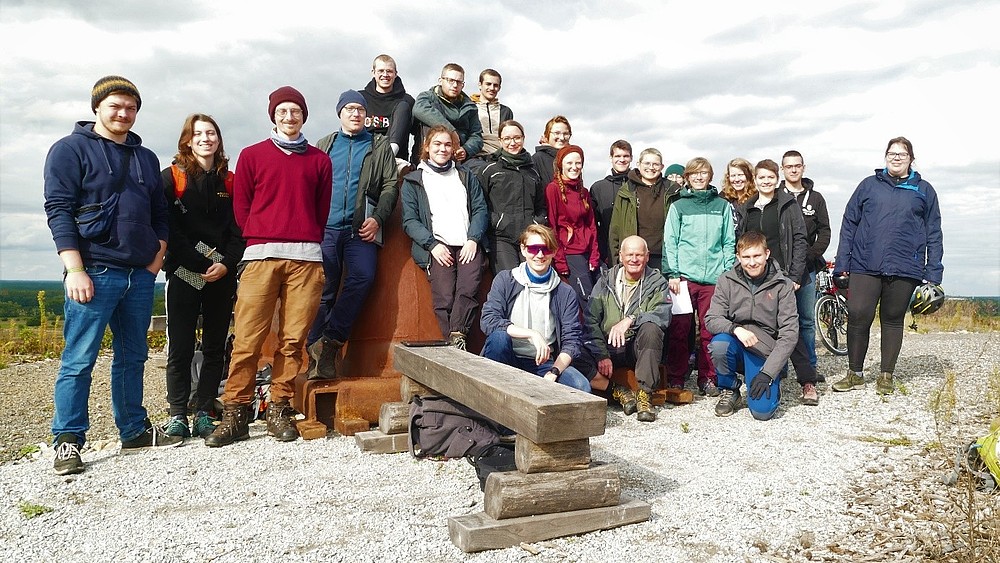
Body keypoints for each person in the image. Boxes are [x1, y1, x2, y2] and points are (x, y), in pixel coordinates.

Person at [43, 75, 179, 474]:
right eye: (115, 106)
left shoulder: (146, 158)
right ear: (97, 108)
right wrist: (74, 269)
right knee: (79, 358)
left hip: (138, 274)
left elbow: (160, 214)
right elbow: (59, 209)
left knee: (132, 356)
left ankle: (134, 430)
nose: (123, 113)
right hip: (94, 270)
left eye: (131, 107)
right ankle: (68, 440)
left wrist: (155, 262)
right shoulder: (69, 150)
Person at [206, 86, 331, 447]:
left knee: (293, 340)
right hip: (261, 257)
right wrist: (261, 236)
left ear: (304, 116)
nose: (289, 117)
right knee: (247, 339)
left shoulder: (319, 161)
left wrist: (303, 235)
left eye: (296, 112)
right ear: (273, 116)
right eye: (283, 111)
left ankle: (279, 405)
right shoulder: (252, 155)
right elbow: (242, 207)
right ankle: (236, 411)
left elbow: (320, 210)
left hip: (306, 258)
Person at [832, 136, 943, 395]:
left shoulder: (924, 190)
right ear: (885, 157)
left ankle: (886, 375)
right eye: (892, 153)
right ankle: (855, 373)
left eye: (901, 154)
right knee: (858, 315)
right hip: (864, 263)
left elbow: (934, 232)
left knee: (892, 320)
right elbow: (849, 224)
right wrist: (842, 264)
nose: (896, 157)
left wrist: (933, 271)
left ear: (911, 159)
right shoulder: (868, 186)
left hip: (905, 267)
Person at [161, 114, 245, 439]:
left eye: (211, 133)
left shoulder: (232, 182)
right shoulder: (171, 179)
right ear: (188, 140)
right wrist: (196, 261)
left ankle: (205, 411)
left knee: (214, 348)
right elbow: (168, 226)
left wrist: (226, 263)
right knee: (179, 347)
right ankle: (178, 413)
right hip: (183, 272)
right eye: (198, 134)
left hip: (222, 274)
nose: (205, 139)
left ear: (219, 139)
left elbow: (240, 230)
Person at [308, 91, 399, 378]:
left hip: (361, 229)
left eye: (360, 109)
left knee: (363, 277)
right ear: (340, 113)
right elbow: (310, 186)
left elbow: (389, 185)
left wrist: (377, 218)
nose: (356, 114)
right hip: (326, 229)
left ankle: (331, 342)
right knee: (324, 290)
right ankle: (314, 354)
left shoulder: (378, 144)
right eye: (349, 109)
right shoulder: (325, 145)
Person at [734, 159, 818, 405]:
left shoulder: (787, 204)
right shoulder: (747, 207)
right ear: (756, 180)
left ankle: (808, 381)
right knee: (761, 324)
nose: (766, 181)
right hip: (756, 275)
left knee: (792, 329)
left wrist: (794, 276)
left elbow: (800, 240)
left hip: (782, 276)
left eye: (770, 177)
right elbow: (741, 243)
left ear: (776, 178)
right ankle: (773, 371)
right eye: (761, 177)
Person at [401, 125, 488, 349]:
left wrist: (473, 239)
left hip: (467, 244)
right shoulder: (414, 180)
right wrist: (432, 245)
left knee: (468, 290)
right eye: (437, 144)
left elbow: (480, 209)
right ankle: (453, 341)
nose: (443, 149)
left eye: (448, 144)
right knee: (445, 296)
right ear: (427, 147)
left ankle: (457, 336)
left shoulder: (465, 175)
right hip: (439, 246)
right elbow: (410, 220)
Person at [480, 224, 591, 392]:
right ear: (523, 250)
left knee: (581, 387)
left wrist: (554, 372)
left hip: (543, 364)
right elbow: (489, 320)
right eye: (533, 249)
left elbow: (572, 341)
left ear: (554, 252)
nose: (539, 255)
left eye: (546, 249)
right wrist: (532, 334)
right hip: (508, 357)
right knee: (498, 339)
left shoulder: (565, 292)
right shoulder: (505, 280)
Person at [705, 232, 799, 420]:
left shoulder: (783, 285)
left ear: (767, 254)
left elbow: (789, 334)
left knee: (762, 412)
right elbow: (712, 318)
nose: (752, 262)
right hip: (736, 342)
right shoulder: (726, 280)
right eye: (746, 257)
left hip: (764, 351)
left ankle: (774, 379)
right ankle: (730, 389)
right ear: (738, 257)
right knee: (719, 344)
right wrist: (736, 329)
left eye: (757, 256)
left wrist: (768, 372)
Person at [662, 157, 735, 397]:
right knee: (680, 330)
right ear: (688, 177)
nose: (699, 177)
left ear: (710, 176)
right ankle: (676, 378)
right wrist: (672, 272)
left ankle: (709, 378)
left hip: (714, 280)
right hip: (683, 278)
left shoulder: (722, 205)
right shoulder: (678, 206)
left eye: (704, 173)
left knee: (709, 330)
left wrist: (726, 273)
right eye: (694, 173)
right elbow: (670, 241)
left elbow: (728, 242)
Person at [581, 236, 671, 422]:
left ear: (647, 257)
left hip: (636, 347)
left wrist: (631, 319)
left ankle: (644, 395)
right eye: (629, 254)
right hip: (608, 346)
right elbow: (590, 320)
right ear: (620, 256)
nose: (634, 259)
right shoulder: (605, 281)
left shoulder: (657, 282)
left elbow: (662, 314)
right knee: (574, 351)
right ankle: (617, 391)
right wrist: (601, 354)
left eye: (639, 254)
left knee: (652, 328)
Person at [779, 150, 831, 373]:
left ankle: (809, 367)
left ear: (803, 168)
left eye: (797, 166)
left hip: (807, 269)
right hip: (779, 269)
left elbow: (825, 232)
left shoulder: (816, 198)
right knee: (777, 321)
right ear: (782, 169)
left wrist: (807, 256)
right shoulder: (775, 194)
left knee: (807, 320)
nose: (793, 169)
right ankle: (778, 368)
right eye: (788, 166)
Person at [478, 120, 547, 274]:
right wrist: (497, 222)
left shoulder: (533, 172)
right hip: (501, 238)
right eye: (507, 139)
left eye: (517, 138)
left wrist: (536, 222)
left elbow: (541, 206)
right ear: (500, 141)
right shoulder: (489, 170)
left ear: (523, 138)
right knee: (511, 280)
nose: (512, 143)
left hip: (529, 236)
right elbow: (479, 204)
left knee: (534, 278)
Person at [609, 147, 681, 269]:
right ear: (638, 164)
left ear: (662, 167)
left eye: (655, 164)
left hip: (664, 257)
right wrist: (616, 261)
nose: (651, 167)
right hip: (635, 258)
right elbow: (615, 229)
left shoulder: (672, 190)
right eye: (647, 163)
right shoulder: (626, 191)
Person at [545, 145, 599, 303]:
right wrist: (560, 261)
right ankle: (591, 328)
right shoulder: (553, 189)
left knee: (605, 287)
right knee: (587, 297)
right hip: (570, 252)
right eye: (569, 163)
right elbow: (553, 227)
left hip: (587, 250)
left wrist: (595, 255)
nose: (574, 167)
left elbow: (591, 225)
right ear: (561, 164)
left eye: (578, 163)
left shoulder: (584, 192)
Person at [412, 63, 483, 164]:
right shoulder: (427, 97)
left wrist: (466, 150)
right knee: (428, 123)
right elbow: (419, 109)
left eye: (459, 82)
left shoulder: (470, 107)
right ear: (441, 81)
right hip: (429, 156)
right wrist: (451, 132)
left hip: (460, 158)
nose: (455, 85)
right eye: (451, 80)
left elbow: (476, 135)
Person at [360, 54, 415, 163]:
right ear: (373, 73)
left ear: (395, 74)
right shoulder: (361, 98)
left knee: (403, 107)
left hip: (395, 161)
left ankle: (386, 160)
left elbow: (418, 132)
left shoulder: (407, 101)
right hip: (364, 157)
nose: (385, 75)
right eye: (381, 71)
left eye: (389, 71)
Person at [589, 140, 633, 267]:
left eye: (626, 156)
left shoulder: (637, 186)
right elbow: (593, 225)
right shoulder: (598, 188)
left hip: (634, 252)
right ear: (611, 158)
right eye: (618, 156)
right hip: (607, 253)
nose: (622, 160)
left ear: (631, 158)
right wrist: (602, 252)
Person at [471, 68, 513, 160]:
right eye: (488, 84)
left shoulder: (506, 111)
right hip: (476, 157)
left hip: (501, 157)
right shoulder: (470, 108)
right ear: (480, 85)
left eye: (496, 85)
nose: (492, 88)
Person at [531, 116, 572, 187]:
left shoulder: (572, 159)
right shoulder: (538, 159)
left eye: (565, 134)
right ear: (547, 135)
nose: (562, 138)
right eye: (557, 133)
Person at [720, 157, 757, 233]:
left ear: (748, 176)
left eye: (740, 175)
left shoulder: (757, 198)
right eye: (733, 176)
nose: (737, 180)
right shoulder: (722, 199)